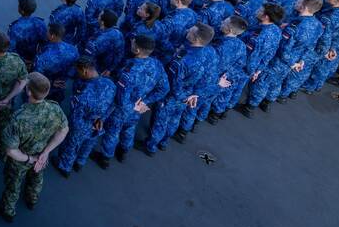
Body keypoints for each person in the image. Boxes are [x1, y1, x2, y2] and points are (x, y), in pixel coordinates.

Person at [0, 72, 68, 223]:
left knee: (13, 184)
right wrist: (46, 152)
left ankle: (7, 210)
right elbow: (64, 130)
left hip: (21, 160)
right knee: (37, 177)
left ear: (29, 91)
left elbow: (10, 150)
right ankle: (31, 200)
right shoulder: (55, 109)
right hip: (42, 155)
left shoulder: (19, 118)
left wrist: (30, 159)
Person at [90, 35, 169, 167]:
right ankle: (123, 152)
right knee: (129, 128)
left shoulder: (130, 70)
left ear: (137, 50)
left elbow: (121, 98)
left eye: (133, 43)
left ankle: (105, 158)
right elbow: (164, 88)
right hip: (138, 106)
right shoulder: (157, 64)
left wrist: (129, 105)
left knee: (112, 131)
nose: (131, 43)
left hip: (122, 108)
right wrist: (145, 101)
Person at [145, 23, 216, 153]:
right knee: (175, 119)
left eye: (191, 31)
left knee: (160, 121)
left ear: (196, 39)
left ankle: (151, 146)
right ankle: (164, 142)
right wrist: (194, 95)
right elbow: (209, 77)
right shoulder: (211, 53)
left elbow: (174, 85)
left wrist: (184, 96)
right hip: (189, 95)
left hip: (173, 96)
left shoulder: (182, 60)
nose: (188, 30)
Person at [52, 56, 116, 176]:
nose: (78, 74)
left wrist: (68, 128)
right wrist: (102, 118)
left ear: (85, 70)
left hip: (82, 125)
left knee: (71, 145)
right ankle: (80, 162)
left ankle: (64, 167)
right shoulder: (110, 84)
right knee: (88, 143)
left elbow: (76, 117)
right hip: (98, 124)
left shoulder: (84, 94)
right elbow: (113, 104)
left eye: (78, 71)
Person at [238, 4, 285, 117]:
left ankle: (217, 113)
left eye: (260, 10)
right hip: (255, 66)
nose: (257, 10)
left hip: (244, 65)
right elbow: (270, 54)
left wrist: (252, 70)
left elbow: (251, 55)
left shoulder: (261, 35)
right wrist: (259, 70)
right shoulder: (276, 30)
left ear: (266, 17)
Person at [33, 23, 79, 102]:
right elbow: (75, 67)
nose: (46, 33)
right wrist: (65, 78)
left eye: (47, 32)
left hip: (45, 88)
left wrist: (51, 82)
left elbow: (37, 76)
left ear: (52, 36)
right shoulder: (73, 50)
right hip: (62, 85)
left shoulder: (43, 56)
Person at [7, 0, 47, 67]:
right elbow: (45, 42)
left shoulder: (15, 27)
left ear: (21, 11)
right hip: (35, 59)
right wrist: (37, 58)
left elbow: (11, 49)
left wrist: (23, 61)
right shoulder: (40, 23)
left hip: (19, 62)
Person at [84, 10, 124, 76]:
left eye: (99, 15)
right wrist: (110, 69)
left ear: (102, 22)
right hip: (106, 70)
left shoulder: (97, 40)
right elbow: (119, 54)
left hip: (94, 70)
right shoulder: (119, 34)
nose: (98, 16)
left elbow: (87, 57)